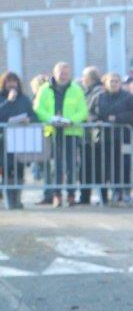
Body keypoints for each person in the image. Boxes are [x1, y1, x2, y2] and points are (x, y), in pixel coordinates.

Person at [33, 62, 88, 206]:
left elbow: (83, 110)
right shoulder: (44, 89)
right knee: (55, 165)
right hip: (52, 131)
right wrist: (50, 119)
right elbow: (39, 108)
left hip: (71, 131)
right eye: (60, 73)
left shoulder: (76, 89)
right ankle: (56, 194)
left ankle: (71, 195)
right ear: (54, 73)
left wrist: (70, 120)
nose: (63, 76)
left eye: (65, 73)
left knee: (71, 165)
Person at [89, 72, 133, 203]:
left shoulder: (128, 97)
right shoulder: (98, 97)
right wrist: (97, 122)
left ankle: (122, 192)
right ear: (105, 83)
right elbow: (90, 114)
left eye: (116, 81)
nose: (114, 84)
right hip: (103, 138)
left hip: (122, 137)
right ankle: (103, 195)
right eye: (111, 81)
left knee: (123, 165)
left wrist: (118, 119)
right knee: (103, 166)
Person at [0, 70, 36, 208]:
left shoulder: (24, 99)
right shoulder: (2, 98)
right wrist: (9, 101)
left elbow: (34, 116)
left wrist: (29, 119)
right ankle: (10, 201)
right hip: (4, 140)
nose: (11, 84)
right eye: (8, 81)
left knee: (20, 169)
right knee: (8, 169)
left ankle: (18, 199)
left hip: (21, 140)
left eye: (14, 81)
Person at [78, 66, 104, 204]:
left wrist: (87, 119)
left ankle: (99, 197)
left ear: (88, 78)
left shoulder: (98, 92)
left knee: (96, 168)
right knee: (85, 168)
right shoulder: (87, 91)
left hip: (95, 137)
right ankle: (84, 196)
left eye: (84, 77)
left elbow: (93, 112)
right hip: (88, 137)